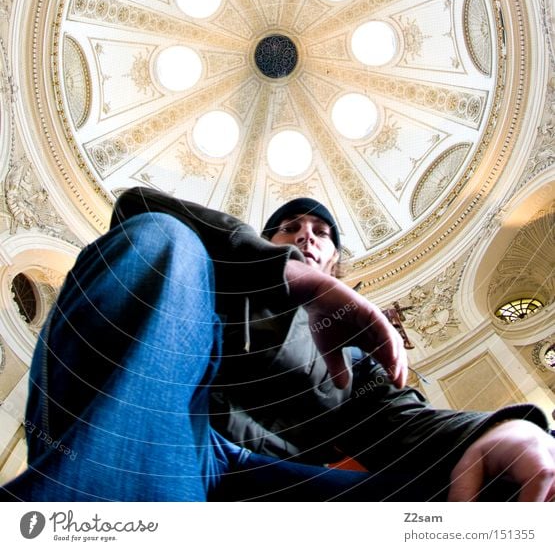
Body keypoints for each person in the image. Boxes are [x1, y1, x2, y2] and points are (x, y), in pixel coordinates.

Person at [1, 188, 553, 502]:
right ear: (266, 241)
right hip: (152, 430)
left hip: (272, 492)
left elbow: (396, 422)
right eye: (289, 226)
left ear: (336, 258)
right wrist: (284, 276)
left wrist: (500, 429)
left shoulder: (354, 355)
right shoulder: (208, 275)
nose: (306, 234)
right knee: (161, 238)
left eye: (321, 231)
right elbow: (137, 206)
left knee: (501, 488)